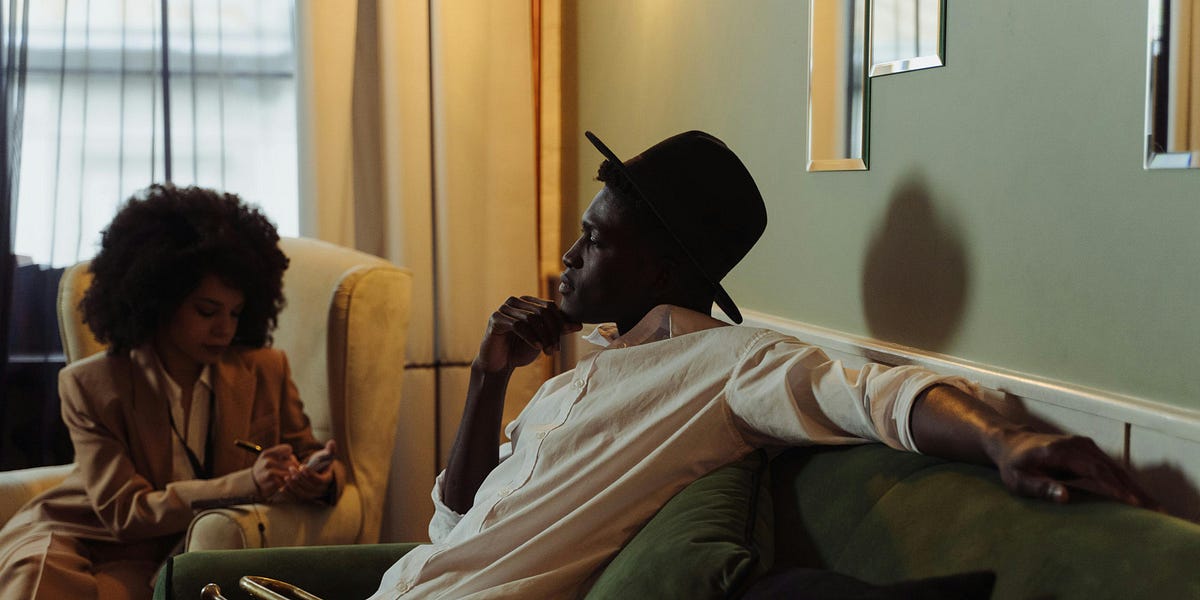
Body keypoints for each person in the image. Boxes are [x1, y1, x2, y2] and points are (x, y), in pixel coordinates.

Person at [367, 131, 1153, 599]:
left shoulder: (727, 364)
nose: (568, 257)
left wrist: (1004, 439)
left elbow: (872, 394)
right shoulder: (575, 381)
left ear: (662, 269)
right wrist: (489, 377)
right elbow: (454, 521)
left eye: (595, 240)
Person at [0, 184, 343, 600]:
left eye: (235, 313)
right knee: (37, 580)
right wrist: (248, 482)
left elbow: (307, 454)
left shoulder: (266, 370)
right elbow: (125, 513)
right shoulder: (91, 384)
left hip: (168, 550)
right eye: (206, 310)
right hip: (78, 534)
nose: (225, 328)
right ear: (159, 300)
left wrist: (318, 477)